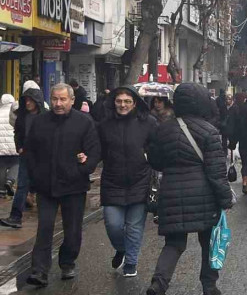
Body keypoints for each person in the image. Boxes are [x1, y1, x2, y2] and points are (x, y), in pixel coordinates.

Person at [145, 83, 233, 295]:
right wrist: (225, 198)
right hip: (204, 196)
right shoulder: (209, 131)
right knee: (208, 242)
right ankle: (209, 286)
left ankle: (159, 283)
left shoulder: (162, 129)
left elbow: (155, 162)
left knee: (174, 243)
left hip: (171, 193)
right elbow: (216, 171)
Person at [24, 84, 101, 287]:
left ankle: (67, 262)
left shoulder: (84, 122)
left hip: (74, 186)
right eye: (55, 99)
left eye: (63, 99)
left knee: (72, 229)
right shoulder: (40, 122)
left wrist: (83, 168)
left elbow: (94, 153)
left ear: (72, 100)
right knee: (45, 228)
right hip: (46, 186)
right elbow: (30, 151)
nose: (58, 103)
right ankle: (39, 271)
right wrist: (34, 176)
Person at [98, 86, 158, 277]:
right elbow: (97, 149)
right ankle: (121, 248)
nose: (122, 105)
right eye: (119, 101)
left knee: (134, 226)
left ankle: (131, 262)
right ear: (113, 102)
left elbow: (157, 147)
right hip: (112, 181)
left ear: (134, 103)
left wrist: (152, 160)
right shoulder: (105, 124)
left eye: (127, 101)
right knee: (113, 224)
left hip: (140, 180)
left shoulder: (148, 122)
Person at [0, 88, 44, 229]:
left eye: (31, 100)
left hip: (43, 156)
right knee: (22, 186)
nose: (28, 103)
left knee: (43, 185)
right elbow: (17, 132)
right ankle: (15, 216)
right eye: (26, 100)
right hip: (26, 155)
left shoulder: (45, 116)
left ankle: (46, 214)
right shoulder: (22, 116)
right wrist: (19, 146)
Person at [225, 92, 247, 194]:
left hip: (241, 140)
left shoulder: (233, 109)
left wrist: (232, 142)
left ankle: (245, 181)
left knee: (245, 162)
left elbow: (231, 127)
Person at [0, 94, 19, 196]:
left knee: (1, 167)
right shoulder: (15, 112)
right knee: (16, 164)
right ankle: (10, 181)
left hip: (1, 146)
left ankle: (2, 190)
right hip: (13, 145)